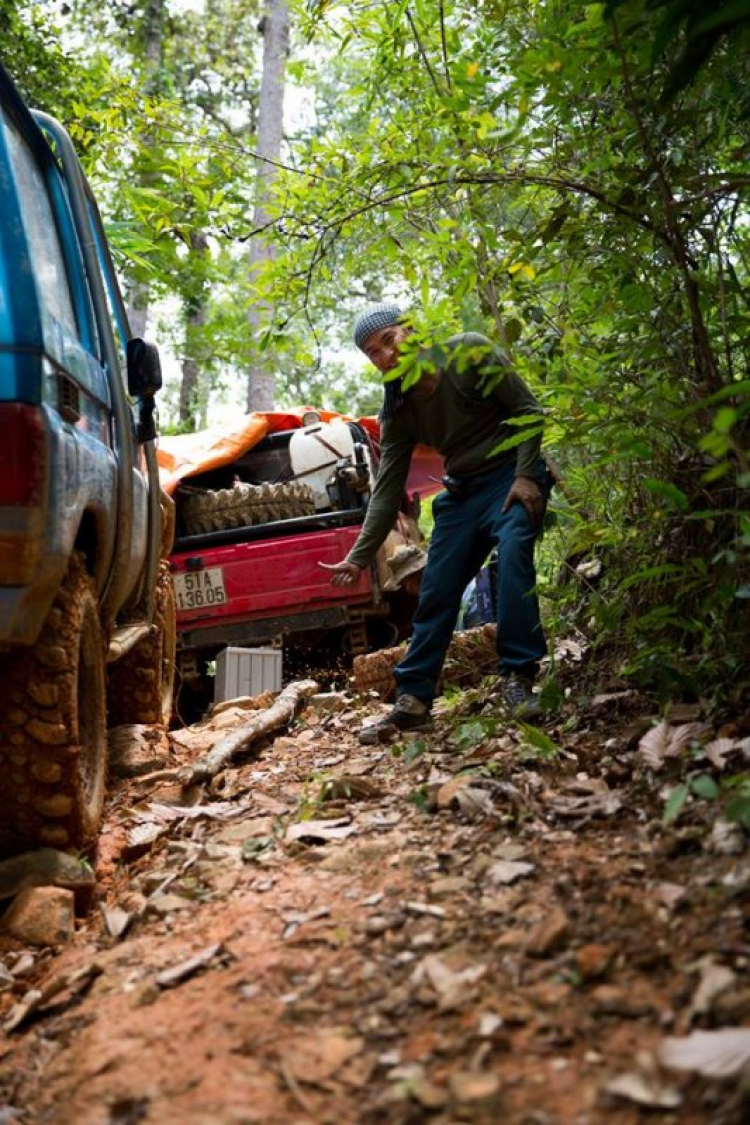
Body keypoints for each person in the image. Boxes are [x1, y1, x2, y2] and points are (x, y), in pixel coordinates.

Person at [320, 302, 552, 743]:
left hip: (511, 476)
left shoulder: (469, 353)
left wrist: (525, 476)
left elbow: (528, 410)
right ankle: (413, 702)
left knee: (514, 556)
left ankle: (519, 678)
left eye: (389, 340)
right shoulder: (398, 410)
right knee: (436, 589)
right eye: (373, 353)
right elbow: (387, 489)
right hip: (463, 492)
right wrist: (359, 555)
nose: (385, 355)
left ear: (413, 331)